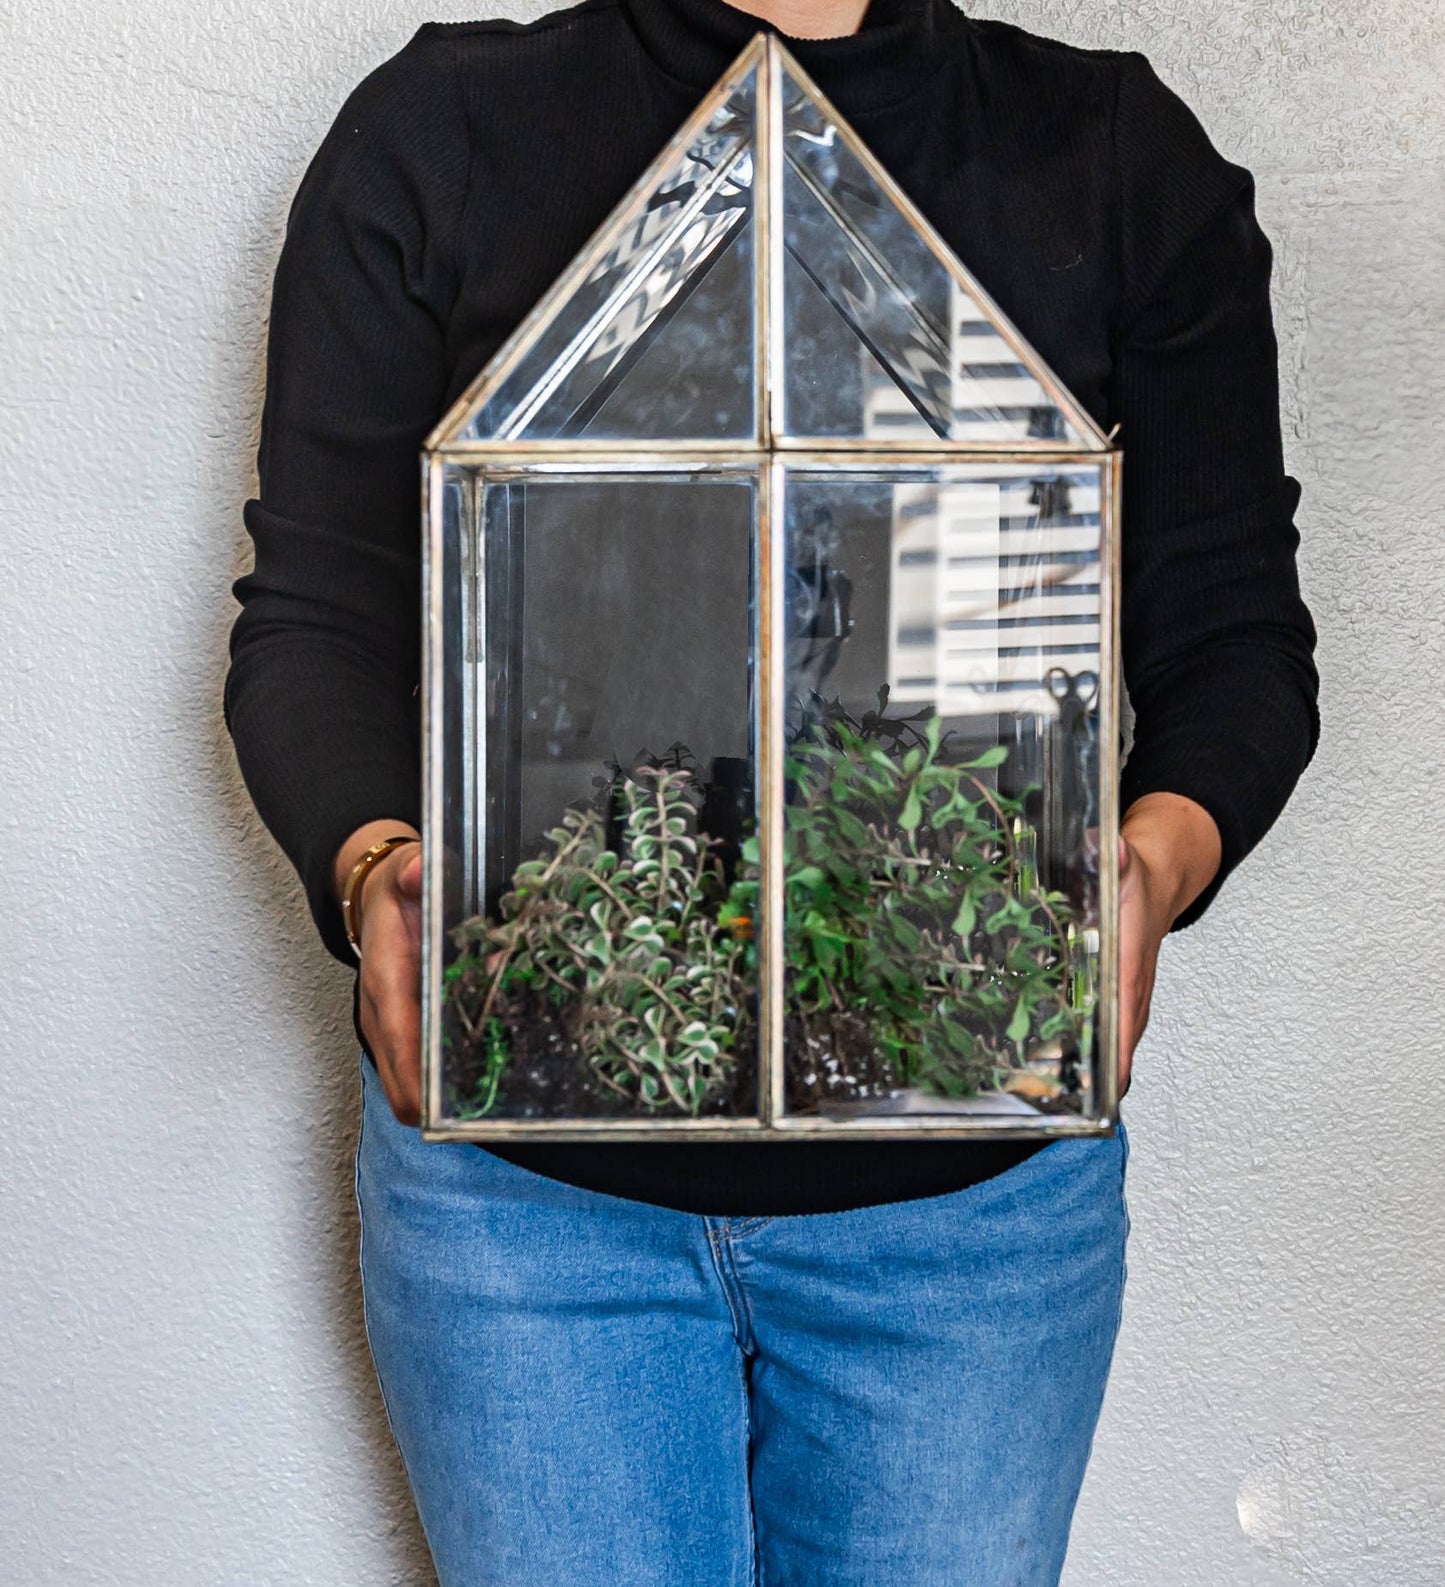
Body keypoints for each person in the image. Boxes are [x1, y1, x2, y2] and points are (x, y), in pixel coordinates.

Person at [224, 0, 1319, 1578]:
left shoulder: (1111, 159)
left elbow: (1233, 639)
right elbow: (317, 619)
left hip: (967, 1222)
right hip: (526, 1219)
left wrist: (1154, 857)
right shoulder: (448, 129)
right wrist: (373, 859)